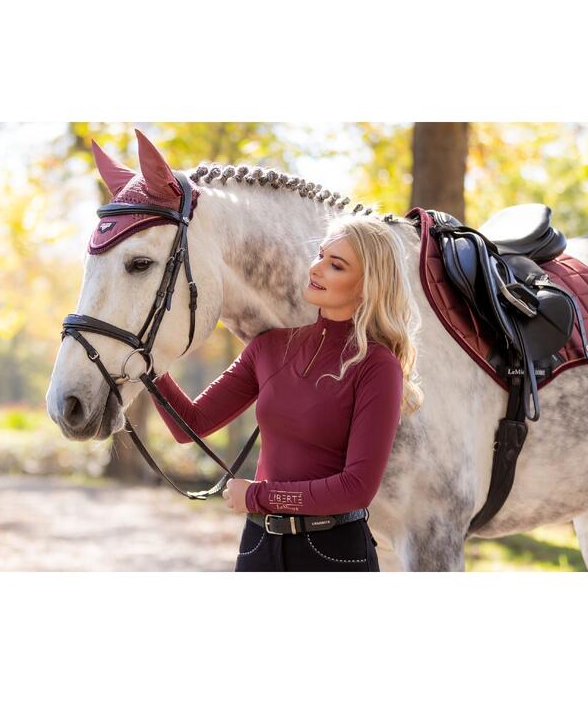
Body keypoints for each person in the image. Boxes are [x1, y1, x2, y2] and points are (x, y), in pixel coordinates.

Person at [150, 213, 423, 571]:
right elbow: (191, 425)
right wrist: (149, 363)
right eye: (321, 255)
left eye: (336, 265)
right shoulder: (269, 348)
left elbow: (356, 488)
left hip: (333, 552)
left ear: (367, 285)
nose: (317, 268)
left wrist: (258, 496)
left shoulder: (377, 365)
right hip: (258, 545)